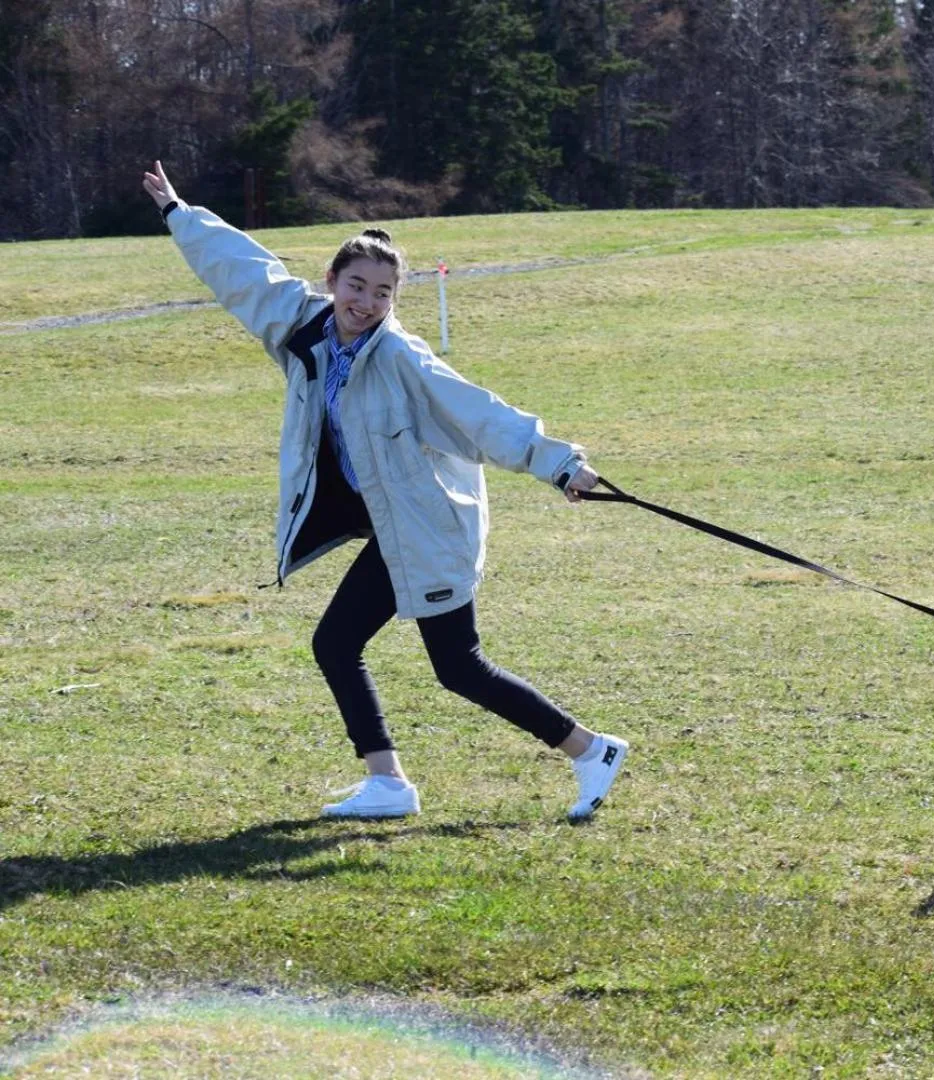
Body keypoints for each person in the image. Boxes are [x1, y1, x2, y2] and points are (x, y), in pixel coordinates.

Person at [141, 160, 627, 821]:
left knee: (458, 666)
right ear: (331, 282)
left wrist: (560, 464)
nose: (367, 303)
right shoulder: (302, 327)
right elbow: (243, 274)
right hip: (392, 526)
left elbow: (477, 411)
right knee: (337, 644)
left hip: (428, 527)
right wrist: (179, 213)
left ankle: (590, 750)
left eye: (384, 293)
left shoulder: (400, 358)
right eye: (358, 286)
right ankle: (389, 783)